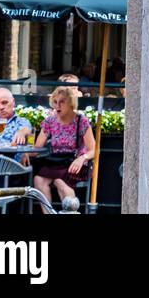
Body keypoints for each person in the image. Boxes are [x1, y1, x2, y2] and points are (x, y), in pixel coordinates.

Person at [27, 83, 95, 211]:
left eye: (62, 102)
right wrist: (26, 151)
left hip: (75, 163)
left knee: (59, 181)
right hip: (56, 161)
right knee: (38, 179)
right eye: (55, 102)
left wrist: (82, 158)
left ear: (71, 103)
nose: (57, 106)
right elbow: (36, 149)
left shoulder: (81, 120)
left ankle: (70, 212)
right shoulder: (50, 121)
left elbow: (94, 150)